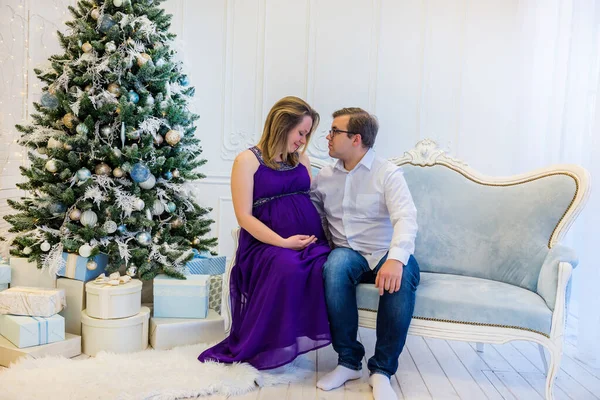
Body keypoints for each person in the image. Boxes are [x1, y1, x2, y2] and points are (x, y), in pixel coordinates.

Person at [198, 96, 331, 370]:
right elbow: (244, 216)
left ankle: (302, 338)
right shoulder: (247, 161)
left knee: (327, 267)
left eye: (306, 134)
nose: (303, 140)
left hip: (307, 242)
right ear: (282, 125)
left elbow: (316, 199)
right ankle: (268, 343)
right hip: (266, 244)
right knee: (287, 268)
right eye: (301, 132)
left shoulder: (301, 159)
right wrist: (283, 242)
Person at [311, 108, 419, 400]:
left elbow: (406, 218)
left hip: (385, 251)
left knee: (401, 278)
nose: (328, 137)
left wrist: (396, 259)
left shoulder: (387, 173)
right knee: (334, 267)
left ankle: (382, 371)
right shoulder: (324, 176)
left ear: (356, 139)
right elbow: (313, 214)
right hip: (349, 253)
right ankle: (348, 362)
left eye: (335, 131)